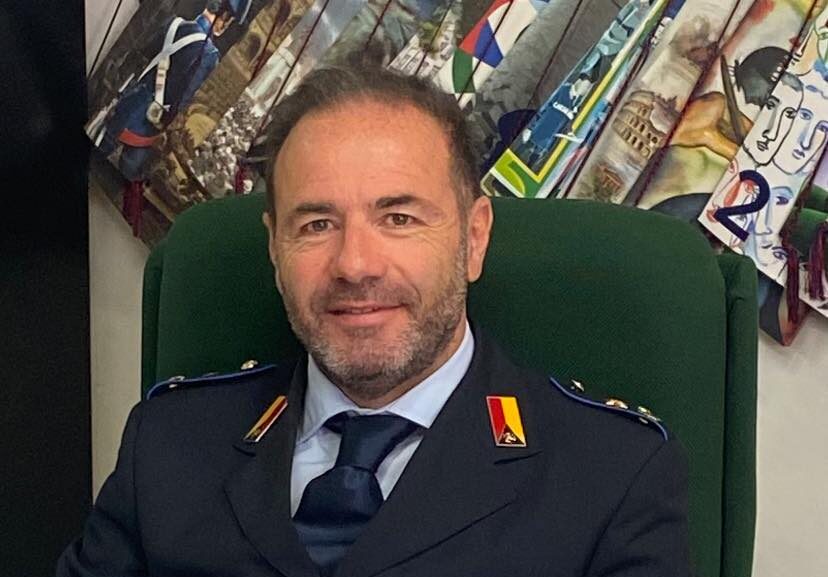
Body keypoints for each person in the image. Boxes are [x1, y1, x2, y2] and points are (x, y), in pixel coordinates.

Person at [58, 62, 691, 577]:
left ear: (473, 238)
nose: (355, 265)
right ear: (275, 248)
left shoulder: (610, 476)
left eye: (399, 218)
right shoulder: (168, 444)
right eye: (317, 224)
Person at [94, 0, 251, 181]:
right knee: (122, 178)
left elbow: (145, 53)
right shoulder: (209, 55)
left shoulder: (175, 24)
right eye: (228, 21)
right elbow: (185, 100)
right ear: (224, 16)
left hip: (129, 102)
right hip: (149, 124)